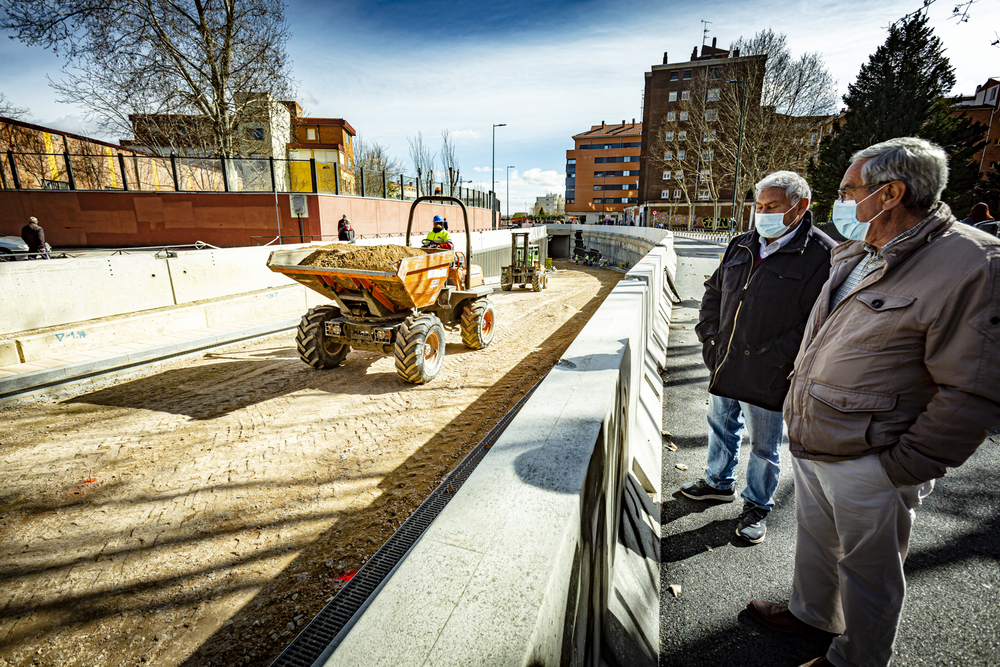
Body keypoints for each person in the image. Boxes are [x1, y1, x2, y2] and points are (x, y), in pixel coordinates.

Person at [748, 138, 1000, 667]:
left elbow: (973, 387)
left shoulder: (972, 263)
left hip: (875, 455)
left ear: (889, 194)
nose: (839, 201)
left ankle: (857, 659)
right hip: (819, 437)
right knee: (817, 540)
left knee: (870, 570)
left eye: (847, 191)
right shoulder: (860, 250)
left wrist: (903, 466)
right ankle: (812, 614)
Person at [684, 171, 834, 544]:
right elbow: (714, 292)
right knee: (720, 424)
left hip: (770, 372)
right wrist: (709, 337)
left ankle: (757, 505)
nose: (762, 213)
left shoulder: (820, 254)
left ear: (800, 207)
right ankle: (718, 482)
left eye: (772, 207)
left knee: (764, 445)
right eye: (759, 205)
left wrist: (772, 358)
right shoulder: (742, 244)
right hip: (725, 361)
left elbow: (815, 322)